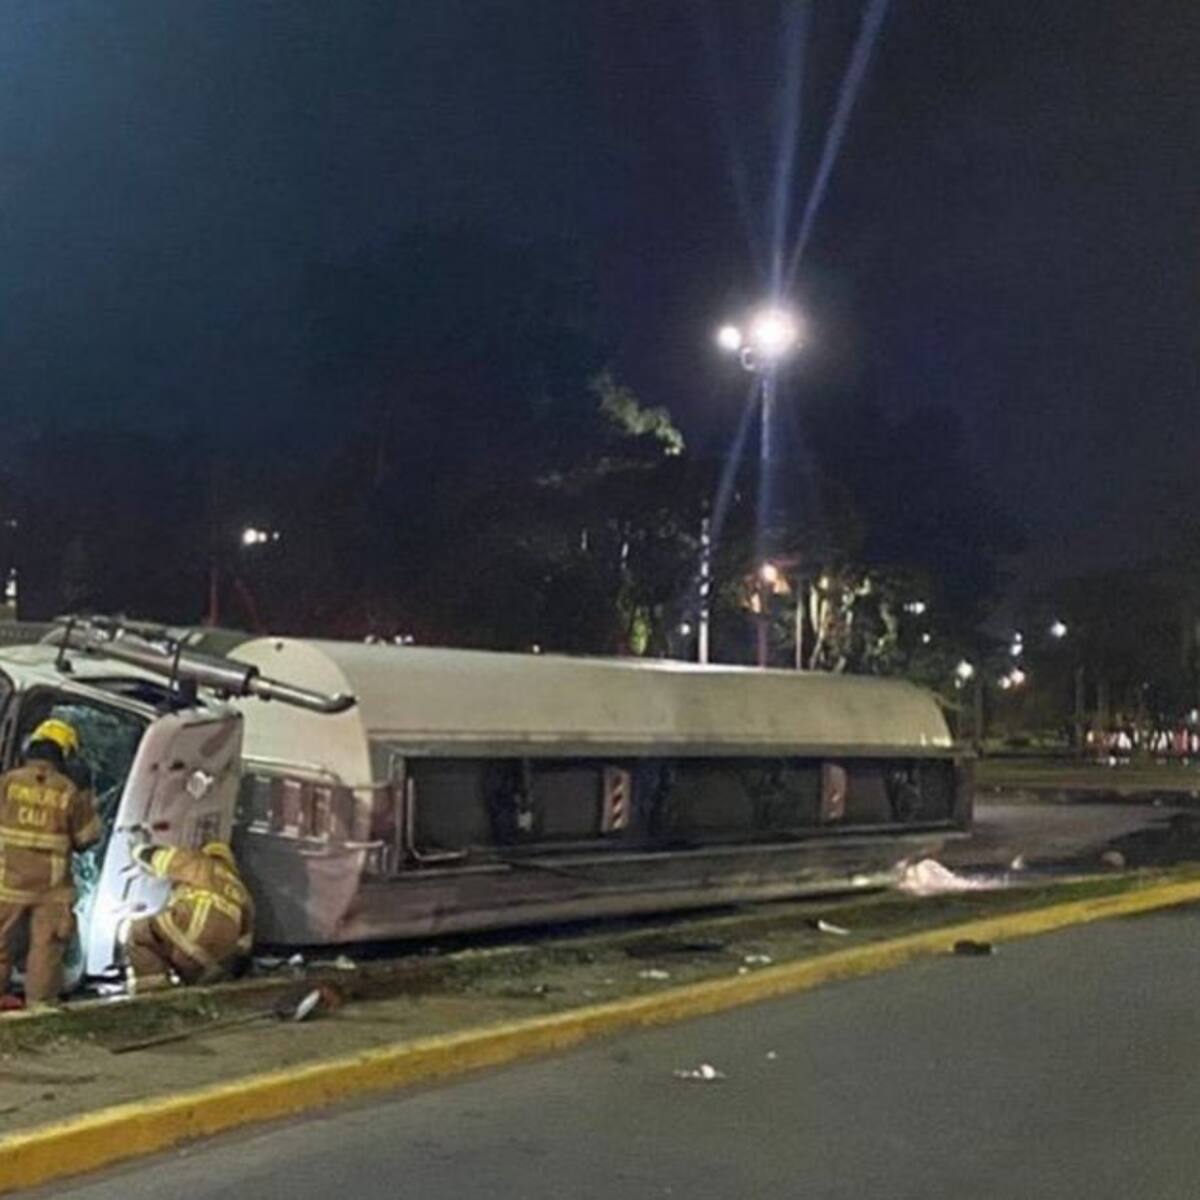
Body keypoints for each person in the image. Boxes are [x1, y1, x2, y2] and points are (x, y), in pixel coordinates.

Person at [0, 718, 101, 1007]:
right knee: (45, 952)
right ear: (65, 754)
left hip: (7, 883)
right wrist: (87, 796)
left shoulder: (8, 782)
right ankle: (38, 1012)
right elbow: (87, 838)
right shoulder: (68, 790)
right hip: (51, 889)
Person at [123, 840, 254, 993]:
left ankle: (151, 994)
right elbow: (244, 944)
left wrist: (137, 850)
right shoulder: (242, 890)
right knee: (191, 978)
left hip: (192, 927)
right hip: (217, 954)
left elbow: (163, 859)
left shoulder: (204, 863)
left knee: (139, 933)